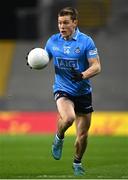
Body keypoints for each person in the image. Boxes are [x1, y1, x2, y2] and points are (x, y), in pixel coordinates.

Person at [44, 7, 101, 176]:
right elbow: (43, 59)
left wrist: (83, 75)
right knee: (68, 118)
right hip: (63, 89)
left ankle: (77, 162)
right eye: (60, 23)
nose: (62, 26)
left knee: (82, 135)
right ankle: (59, 137)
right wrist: (34, 60)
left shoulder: (86, 42)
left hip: (83, 92)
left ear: (75, 23)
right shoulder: (53, 41)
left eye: (66, 23)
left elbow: (97, 66)